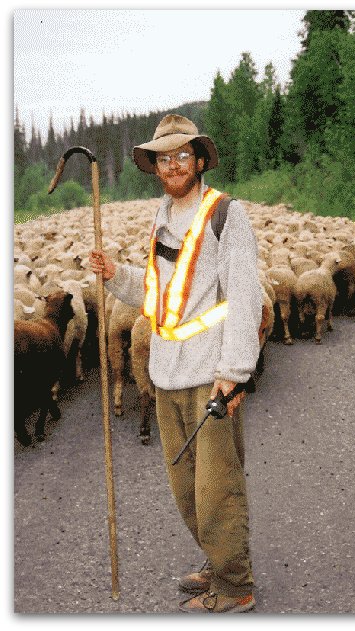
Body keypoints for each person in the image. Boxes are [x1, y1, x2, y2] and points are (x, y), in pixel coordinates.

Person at [90, 114, 263, 613]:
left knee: (217, 490)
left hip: (210, 375)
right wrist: (115, 275)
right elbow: (157, 294)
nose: (173, 165)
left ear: (200, 160)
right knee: (185, 487)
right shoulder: (162, 217)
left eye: (182, 155)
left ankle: (235, 587)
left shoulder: (225, 215)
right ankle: (218, 558)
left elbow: (246, 297)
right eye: (164, 158)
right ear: (155, 167)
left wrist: (233, 375)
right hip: (165, 372)